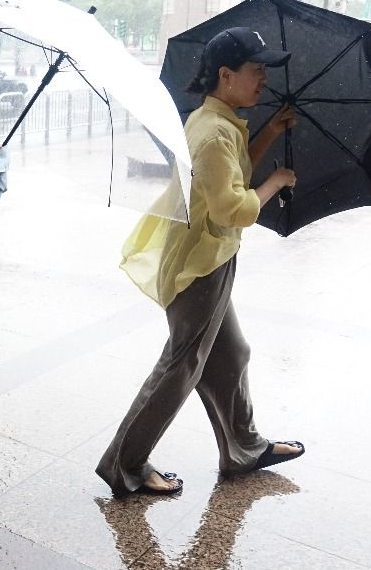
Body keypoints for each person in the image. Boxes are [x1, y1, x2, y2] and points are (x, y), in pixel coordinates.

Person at [97, 27, 305, 498]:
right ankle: (124, 464)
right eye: (256, 70)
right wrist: (277, 182)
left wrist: (270, 131)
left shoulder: (220, 123)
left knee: (230, 355)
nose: (264, 79)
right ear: (227, 76)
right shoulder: (213, 133)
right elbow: (232, 207)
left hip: (211, 256)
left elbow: (229, 178)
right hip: (200, 267)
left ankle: (244, 448)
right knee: (181, 366)